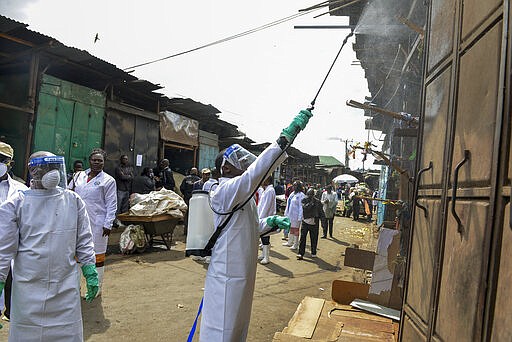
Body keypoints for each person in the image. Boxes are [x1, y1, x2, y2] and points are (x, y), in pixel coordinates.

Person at [199, 109, 312, 341]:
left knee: (237, 327)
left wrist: (269, 222)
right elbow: (255, 174)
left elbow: (248, 227)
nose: (245, 165)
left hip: (243, 272)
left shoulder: (242, 194)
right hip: (227, 274)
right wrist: (285, 137)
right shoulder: (224, 191)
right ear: (226, 169)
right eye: (239, 162)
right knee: (221, 328)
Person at [0, 151, 98, 340]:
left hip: (65, 287)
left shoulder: (73, 201)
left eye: (54, 168)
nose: (52, 173)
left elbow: (84, 240)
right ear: (33, 171)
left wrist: (90, 269)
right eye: (46, 168)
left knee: (66, 334)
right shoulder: (17, 203)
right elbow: (3, 250)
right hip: (28, 289)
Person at [69, 148, 117, 297]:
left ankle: (96, 288)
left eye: (100, 160)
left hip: (98, 224)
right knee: (76, 255)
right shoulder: (78, 176)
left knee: (97, 257)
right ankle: (75, 289)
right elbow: (68, 193)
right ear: (89, 161)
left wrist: (108, 224)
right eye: (94, 160)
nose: (97, 162)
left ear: (104, 162)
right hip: (77, 221)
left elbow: (111, 203)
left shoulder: (108, 180)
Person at [0, 142, 28, 324]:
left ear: (11, 163)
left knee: (10, 292)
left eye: (3, 160)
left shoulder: (22, 190)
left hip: (10, 254)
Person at [297, 188, 323, 260]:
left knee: (314, 238)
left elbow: (321, 213)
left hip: (314, 223)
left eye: (311, 195)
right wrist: (311, 203)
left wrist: (323, 223)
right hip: (305, 222)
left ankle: (313, 252)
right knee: (302, 238)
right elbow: (305, 208)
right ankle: (300, 253)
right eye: (308, 194)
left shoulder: (318, 202)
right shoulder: (304, 200)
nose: (309, 196)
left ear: (313, 195)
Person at [257, 175, 276, 265]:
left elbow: (266, 206)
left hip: (265, 217)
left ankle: (266, 257)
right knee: (263, 236)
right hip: (263, 217)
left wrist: (261, 218)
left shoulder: (269, 191)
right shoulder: (266, 190)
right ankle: (263, 254)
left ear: (267, 180)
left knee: (265, 237)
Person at [283, 180, 306, 250]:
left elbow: (301, 207)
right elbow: (288, 204)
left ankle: (295, 244)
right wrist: (286, 213)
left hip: (296, 216)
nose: (294, 186)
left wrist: (300, 217)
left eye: (296, 185)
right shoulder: (292, 194)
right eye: (293, 185)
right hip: (290, 214)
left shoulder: (301, 195)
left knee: (296, 230)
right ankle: (290, 242)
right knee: (291, 228)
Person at [180, 167, 201, 235]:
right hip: (195, 200)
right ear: (196, 172)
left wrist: (185, 194)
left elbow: (182, 188)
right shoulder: (199, 180)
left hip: (187, 199)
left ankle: (185, 231)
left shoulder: (186, 178)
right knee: (194, 215)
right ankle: (192, 231)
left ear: (190, 172)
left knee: (186, 215)